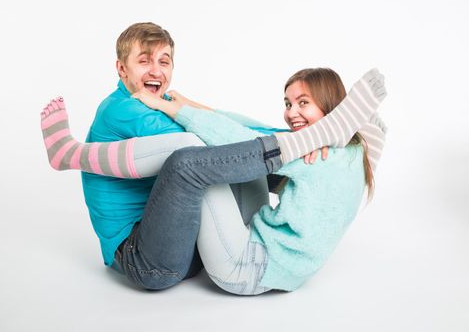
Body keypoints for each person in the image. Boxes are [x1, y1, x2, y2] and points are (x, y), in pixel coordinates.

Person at [41, 68, 387, 294]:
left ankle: (71, 155)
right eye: (288, 102)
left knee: (195, 158)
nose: (291, 112)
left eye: (303, 103)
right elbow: (252, 131)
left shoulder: (317, 155)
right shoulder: (355, 155)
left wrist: (176, 111)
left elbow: (238, 140)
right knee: (244, 149)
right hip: (290, 269)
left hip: (246, 268)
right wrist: (188, 104)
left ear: (332, 108)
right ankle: (70, 154)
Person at [63, 22, 271, 290]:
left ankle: (262, 241)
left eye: (164, 61)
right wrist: (282, 147)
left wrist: (290, 136)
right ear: (122, 69)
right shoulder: (122, 109)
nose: (156, 71)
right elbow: (215, 138)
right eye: (144, 61)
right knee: (205, 156)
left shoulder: (156, 104)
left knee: (244, 152)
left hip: (183, 245)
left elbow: (224, 125)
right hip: (143, 261)